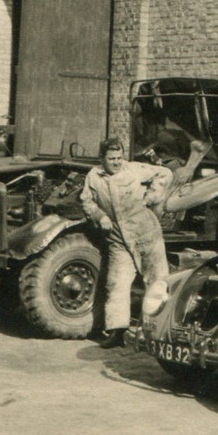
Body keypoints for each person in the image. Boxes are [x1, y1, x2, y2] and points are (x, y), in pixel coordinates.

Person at [80, 137, 173, 347]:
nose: (116, 162)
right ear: (101, 158)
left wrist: (151, 198)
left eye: (119, 157)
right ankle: (117, 331)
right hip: (118, 239)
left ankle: (157, 333)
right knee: (117, 283)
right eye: (111, 158)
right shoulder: (93, 176)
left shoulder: (134, 169)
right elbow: (86, 200)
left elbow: (165, 173)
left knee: (157, 281)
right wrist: (99, 216)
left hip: (145, 234)